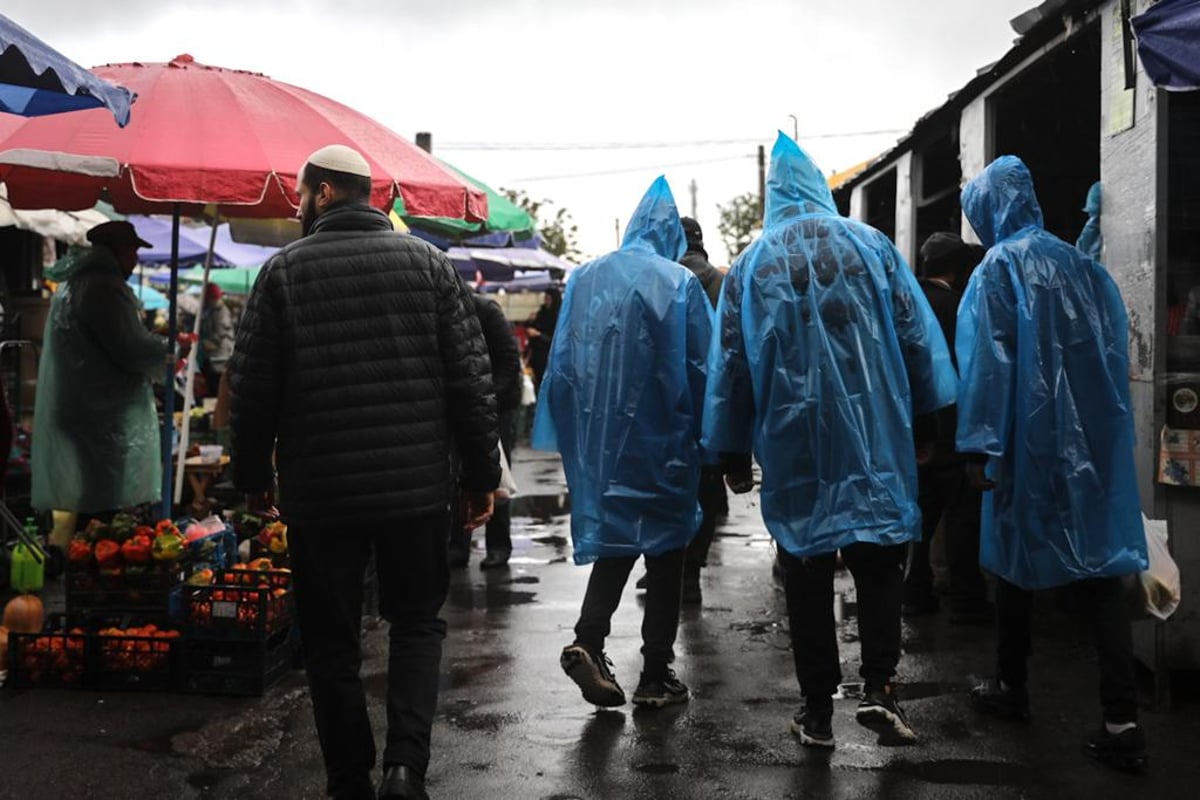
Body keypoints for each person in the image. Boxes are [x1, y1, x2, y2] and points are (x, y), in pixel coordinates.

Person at [229, 144, 500, 800]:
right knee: (415, 623)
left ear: (324, 193)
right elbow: (471, 380)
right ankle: (405, 769)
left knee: (331, 643)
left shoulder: (283, 273)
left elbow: (252, 389)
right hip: (415, 491)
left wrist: (250, 476)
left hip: (321, 497)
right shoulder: (429, 265)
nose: (297, 207)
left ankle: (349, 780)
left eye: (300, 195)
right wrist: (480, 475)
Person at [703, 134, 957, 750]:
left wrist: (732, 451)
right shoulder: (871, 246)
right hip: (874, 431)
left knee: (807, 566)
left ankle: (817, 710)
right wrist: (929, 425)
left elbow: (731, 362)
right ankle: (880, 688)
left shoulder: (751, 264)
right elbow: (915, 336)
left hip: (795, 440)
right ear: (819, 187)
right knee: (877, 558)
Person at [956, 156, 1149, 773]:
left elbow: (988, 365)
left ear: (989, 208)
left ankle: (1011, 686)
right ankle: (1122, 720)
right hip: (1089, 447)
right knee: (1099, 575)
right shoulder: (1085, 268)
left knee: (1014, 563)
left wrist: (980, 445)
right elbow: (1115, 352)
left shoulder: (997, 269)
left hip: (1027, 446)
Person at [533, 176, 712, 709]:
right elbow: (702, 367)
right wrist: (716, 440)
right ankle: (655, 674)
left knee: (616, 545)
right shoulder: (680, 283)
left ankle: (589, 641)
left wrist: (564, 431)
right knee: (666, 556)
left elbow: (561, 363)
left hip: (603, 445)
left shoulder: (585, 278)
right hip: (666, 443)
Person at [32, 221, 178, 528]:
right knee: (104, 501)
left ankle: (89, 559)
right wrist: (169, 349)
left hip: (80, 406)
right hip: (99, 413)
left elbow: (111, 341)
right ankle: (96, 565)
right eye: (133, 251)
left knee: (93, 494)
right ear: (118, 251)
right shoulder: (104, 287)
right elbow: (131, 349)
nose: (136, 260)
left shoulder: (76, 284)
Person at [637, 216, 727, 604]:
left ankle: (664, 568)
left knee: (664, 489)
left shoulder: (660, 277)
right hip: (711, 403)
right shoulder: (723, 281)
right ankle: (690, 574)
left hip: (664, 404)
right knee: (707, 489)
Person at [902, 233, 990, 622]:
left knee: (920, 518)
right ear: (956, 270)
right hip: (953, 430)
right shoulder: (960, 307)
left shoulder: (906, 304)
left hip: (915, 430)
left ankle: (915, 593)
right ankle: (967, 599)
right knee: (961, 519)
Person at [448, 293, 522, 570]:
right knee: (456, 473)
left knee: (496, 474)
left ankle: (499, 546)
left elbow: (509, 364)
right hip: (463, 404)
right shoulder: (445, 312)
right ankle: (458, 545)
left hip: (498, 405)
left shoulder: (487, 311)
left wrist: (485, 399)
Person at [198, 282, 234, 397]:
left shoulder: (221, 312)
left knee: (217, 391)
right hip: (212, 358)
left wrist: (206, 342)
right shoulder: (211, 311)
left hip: (220, 360)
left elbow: (221, 334)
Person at [525, 287, 561, 394]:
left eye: (548, 299)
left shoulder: (558, 317)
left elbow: (556, 340)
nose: (546, 302)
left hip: (550, 358)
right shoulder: (542, 313)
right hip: (537, 356)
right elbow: (529, 327)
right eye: (545, 299)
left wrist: (538, 334)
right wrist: (530, 321)